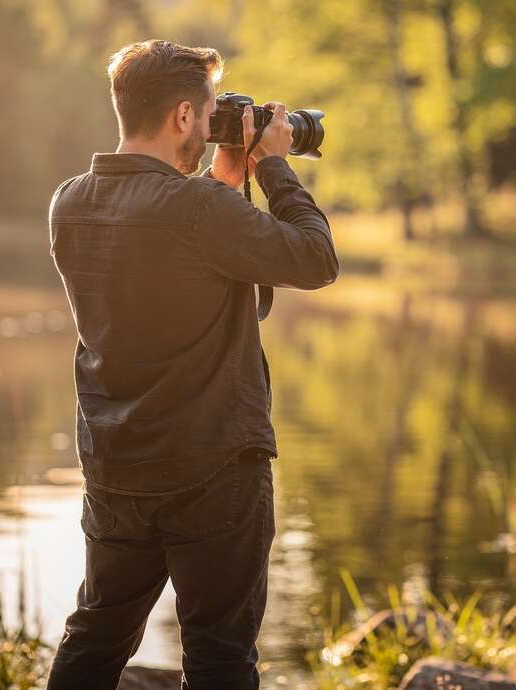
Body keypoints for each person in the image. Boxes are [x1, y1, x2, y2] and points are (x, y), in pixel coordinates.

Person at [45, 39, 339, 690]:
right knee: (219, 655)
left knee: (95, 635)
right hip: (213, 473)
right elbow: (316, 259)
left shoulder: (70, 202)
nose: (210, 127)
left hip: (118, 467)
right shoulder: (198, 212)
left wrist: (227, 172)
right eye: (208, 114)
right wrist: (271, 165)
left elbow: (184, 267)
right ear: (183, 117)